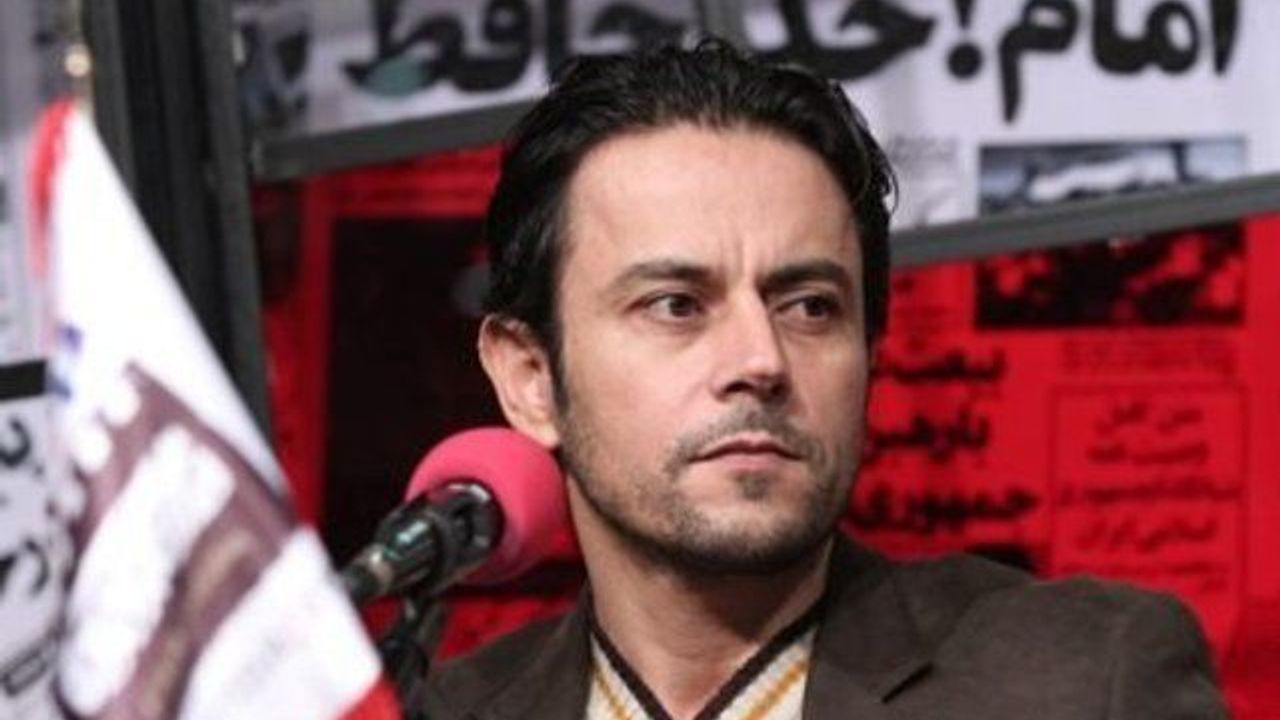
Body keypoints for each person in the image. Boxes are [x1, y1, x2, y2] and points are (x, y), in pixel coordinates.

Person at [423, 40, 1226, 719]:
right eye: (676, 305)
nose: (761, 360)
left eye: (810, 307)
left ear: (870, 351)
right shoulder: (442, 710)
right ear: (530, 376)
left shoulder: (1083, 681)